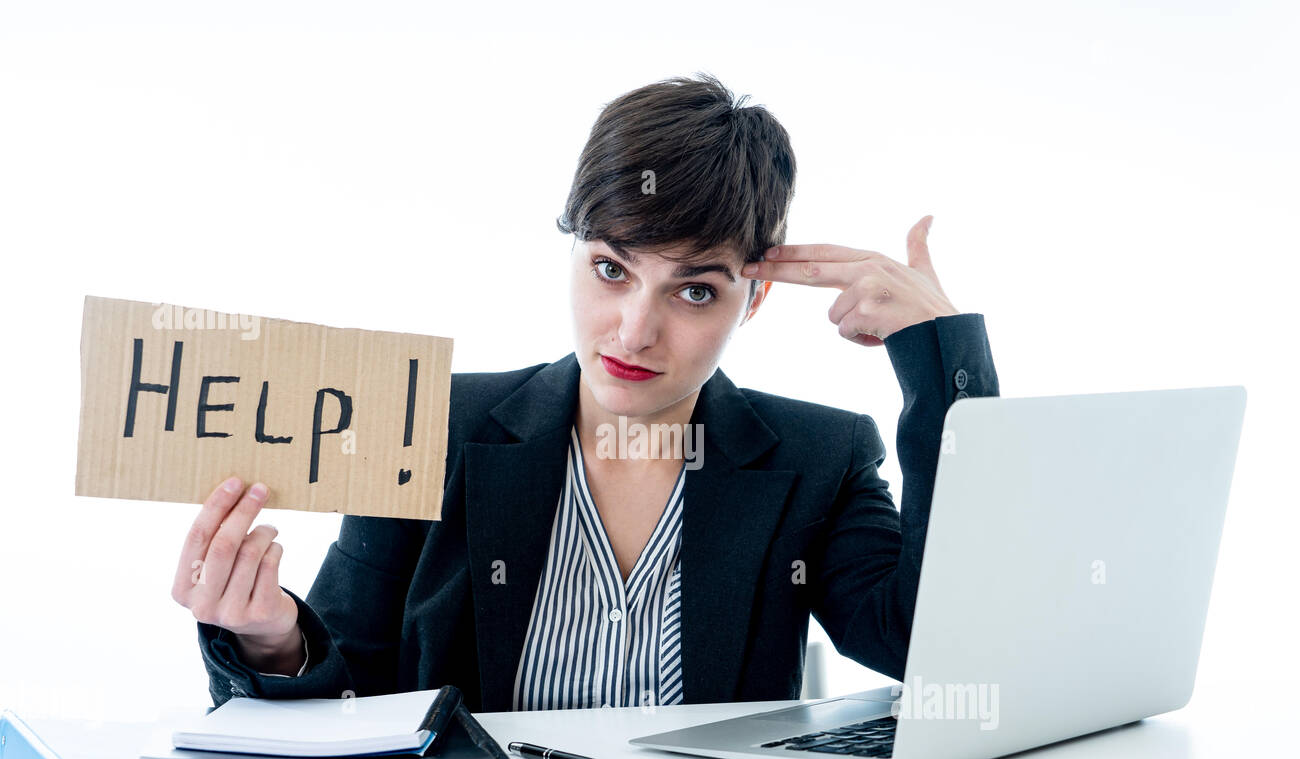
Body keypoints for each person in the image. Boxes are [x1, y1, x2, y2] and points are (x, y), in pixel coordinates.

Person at [172, 72, 1000, 712]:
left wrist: (944, 368)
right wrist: (275, 642)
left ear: (757, 298)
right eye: (612, 269)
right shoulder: (433, 427)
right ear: (572, 250)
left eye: (696, 291)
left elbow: (933, 645)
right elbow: (347, 696)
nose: (635, 330)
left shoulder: (820, 459)